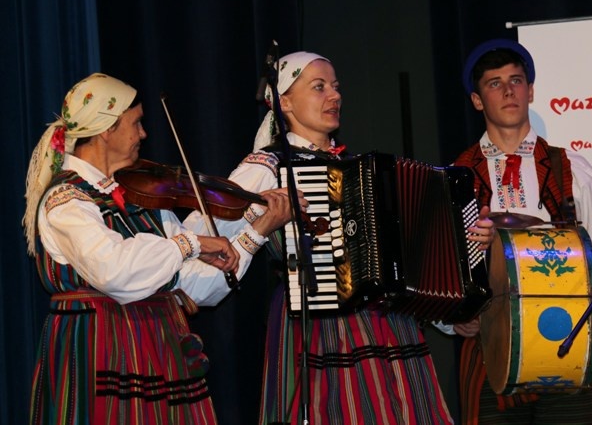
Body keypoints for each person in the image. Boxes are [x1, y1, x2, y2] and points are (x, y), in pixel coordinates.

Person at [204, 51, 495, 424]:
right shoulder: (266, 168)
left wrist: (452, 305)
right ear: (284, 101)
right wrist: (254, 234)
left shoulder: (360, 170)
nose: (335, 96)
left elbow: (406, 269)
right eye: (319, 87)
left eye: (336, 87)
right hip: (318, 325)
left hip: (390, 328)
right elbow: (207, 230)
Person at [23, 73, 302, 424]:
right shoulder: (66, 201)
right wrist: (190, 243)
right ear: (107, 129)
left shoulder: (147, 196)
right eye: (136, 123)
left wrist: (257, 231)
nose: (143, 134)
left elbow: (196, 290)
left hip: (156, 349)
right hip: (98, 351)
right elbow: (116, 272)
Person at [449, 38, 592, 425]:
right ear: (476, 100)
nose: (508, 90)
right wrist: (454, 317)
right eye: (494, 83)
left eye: (516, 80)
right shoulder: (456, 177)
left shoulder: (569, 167)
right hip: (490, 349)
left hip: (563, 344)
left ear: (531, 91)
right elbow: (439, 264)